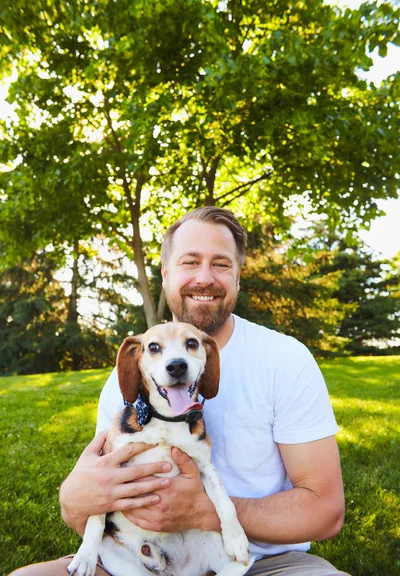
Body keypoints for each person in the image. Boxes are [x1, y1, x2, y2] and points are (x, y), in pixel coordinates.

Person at [10, 207, 350, 576]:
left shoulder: (284, 359)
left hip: (260, 563)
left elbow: (325, 511)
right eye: (190, 262)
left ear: (238, 276)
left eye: (221, 264)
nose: (205, 278)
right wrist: (72, 501)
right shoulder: (131, 375)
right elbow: (95, 500)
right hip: (140, 557)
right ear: (166, 272)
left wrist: (206, 511)